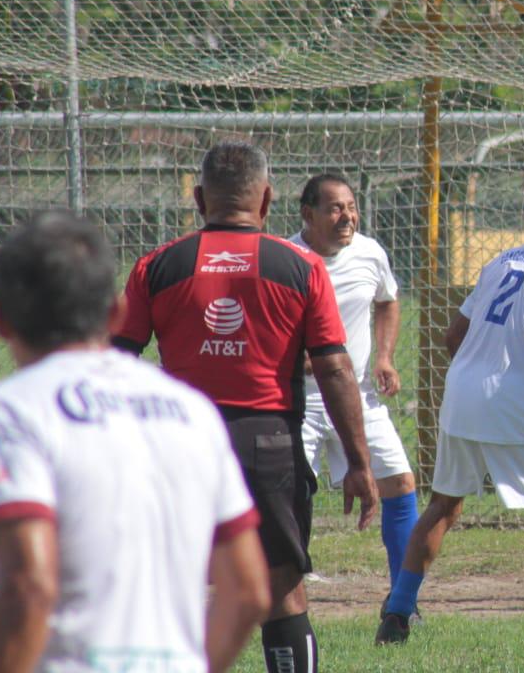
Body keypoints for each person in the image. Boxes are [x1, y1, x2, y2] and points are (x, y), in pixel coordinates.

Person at [0, 210, 270, 673]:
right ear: (115, 312)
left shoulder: (13, 409)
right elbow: (248, 590)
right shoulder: (191, 410)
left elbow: (29, 582)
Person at [113, 141, 377, 673]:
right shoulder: (301, 267)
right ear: (267, 201)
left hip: (179, 441)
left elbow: (112, 362)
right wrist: (359, 463)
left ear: (197, 198)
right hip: (268, 444)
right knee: (279, 587)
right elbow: (334, 368)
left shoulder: (157, 265)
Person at [375, 179, 524, 647]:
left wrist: (481, 372)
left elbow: (451, 338)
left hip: (461, 394)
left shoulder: (503, 259)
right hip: (515, 402)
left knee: (443, 505)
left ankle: (397, 614)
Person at [290, 173, 419, 606]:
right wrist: (305, 361)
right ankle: (283, 595)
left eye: (351, 206)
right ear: (308, 214)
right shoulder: (286, 259)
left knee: (400, 482)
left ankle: (403, 599)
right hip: (301, 400)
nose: (347, 217)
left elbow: (387, 300)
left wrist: (383, 356)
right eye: (334, 208)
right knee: (288, 495)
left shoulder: (369, 253)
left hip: (358, 395)